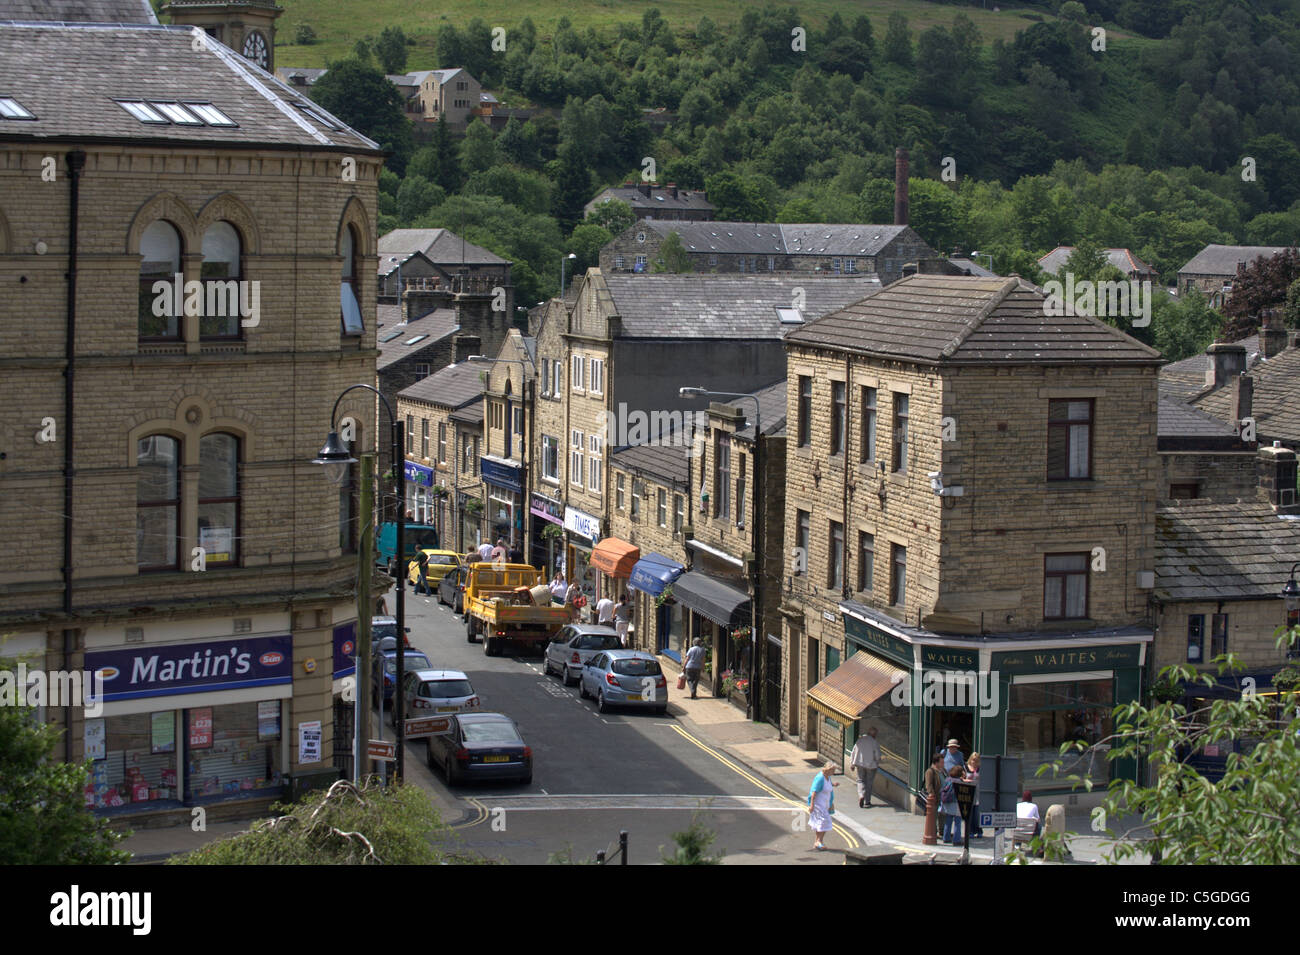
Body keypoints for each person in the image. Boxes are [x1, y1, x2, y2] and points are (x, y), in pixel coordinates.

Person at [807, 762, 837, 850]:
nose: (834, 772)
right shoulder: (820, 778)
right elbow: (814, 792)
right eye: (833, 770)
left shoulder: (828, 777)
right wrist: (811, 805)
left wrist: (833, 784)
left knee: (821, 823)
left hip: (825, 805)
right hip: (818, 805)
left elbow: (827, 785)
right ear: (828, 769)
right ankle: (818, 841)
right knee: (824, 822)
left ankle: (817, 842)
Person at [850, 726, 881, 808]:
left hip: (860, 764)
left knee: (860, 780)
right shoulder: (874, 742)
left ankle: (861, 795)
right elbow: (877, 755)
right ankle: (867, 801)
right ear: (874, 735)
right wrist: (877, 762)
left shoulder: (860, 740)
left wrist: (852, 764)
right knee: (869, 783)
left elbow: (853, 751)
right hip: (871, 765)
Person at [940, 766, 964, 845]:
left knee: (948, 821)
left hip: (947, 803)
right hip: (956, 803)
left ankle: (946, 838)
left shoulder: (947, 779)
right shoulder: (959, 781)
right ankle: (956, 840)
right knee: (957, 822)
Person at [965, 752, 983, 837]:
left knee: (977, 814)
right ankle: (971, 831)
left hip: (978, 793)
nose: (974, 762)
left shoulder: (980, 769)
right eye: (973, 760)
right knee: (970, 814)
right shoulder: (965, 767)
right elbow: (961, 778)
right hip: (968, 792)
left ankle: (979, 830)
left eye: (976, 760)